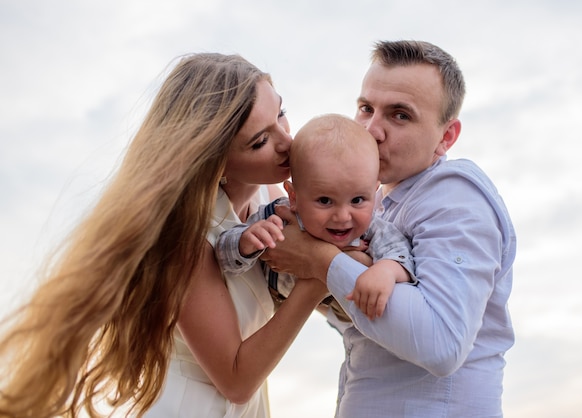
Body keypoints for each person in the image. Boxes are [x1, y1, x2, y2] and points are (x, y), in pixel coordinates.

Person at [0, 53, 328, 418]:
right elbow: (236, 380)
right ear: (215, 159)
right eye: (259, 141)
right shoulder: (184, 235)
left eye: (281, 113)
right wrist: (316, 281)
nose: (287, 141)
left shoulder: (272, 199)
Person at [262, 40, 517, 417]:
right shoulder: (369, 205)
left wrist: (319, 260)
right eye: (365, 108)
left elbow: (442, 343)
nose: (371, 130)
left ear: (446, 137)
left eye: (399, 115)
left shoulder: (455, 195)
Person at [215, 113, 416, 322]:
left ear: (374, 192)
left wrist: (386, 271)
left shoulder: (374, 228)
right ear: (293, 197)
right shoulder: (276, 217)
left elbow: (402, 256)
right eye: (325, 201)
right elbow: (223, 256)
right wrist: (245, 241)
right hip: (276, 299)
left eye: (357, 200)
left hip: (342, 304)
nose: (342, 216)